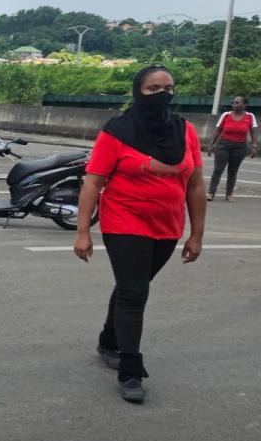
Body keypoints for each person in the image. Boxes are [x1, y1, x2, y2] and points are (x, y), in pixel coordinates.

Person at [75, 64, 206, 404]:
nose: (163, 94)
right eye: (153, 89)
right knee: (135, 294)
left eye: (169, 88)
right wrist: (83, 231)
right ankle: (130, 370)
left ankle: (108, 340)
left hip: (167, 225)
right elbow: (93, 182)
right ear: (138, 92)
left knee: (132, 286)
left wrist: (197, 235)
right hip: (124, 220)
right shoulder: (118, 131)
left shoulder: (185, 131)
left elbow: (194, 184)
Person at [206, 96, 258, 202]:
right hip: (223, 145)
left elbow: (254, 131)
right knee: (218, 170)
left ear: (244, 105)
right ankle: (211, 193)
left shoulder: (250, 116)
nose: (234, 104)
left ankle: (229, 194)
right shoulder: (226, 115)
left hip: (240, 147)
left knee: (233, 171)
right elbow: (217, 130)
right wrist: (211, 145)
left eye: (237, 102)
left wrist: (254, 146)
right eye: (233, 102)